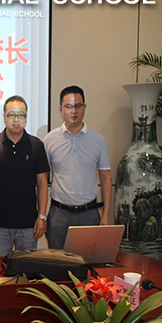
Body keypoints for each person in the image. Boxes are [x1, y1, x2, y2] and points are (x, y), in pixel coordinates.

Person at [44, 85, 112, 249]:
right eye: (68, 106)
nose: (73, 111)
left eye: (78, 106)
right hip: (58, 214)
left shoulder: (98, 140)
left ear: (84, 107)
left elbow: (106, 178)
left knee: (88, 261)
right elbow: (42, 180)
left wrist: (105, 215)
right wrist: (42, 215)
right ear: (61, 109)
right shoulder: (50, 140)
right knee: (57, 262)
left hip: (89, 214)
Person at [0, 95, 50, 257]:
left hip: (28, 224)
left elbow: (42, 183)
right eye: (11, 115)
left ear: (26, 117)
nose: (16, 120)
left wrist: (42, 216)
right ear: (4, 117)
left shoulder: (36, 145)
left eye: (21, 115)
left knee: (26, 268)